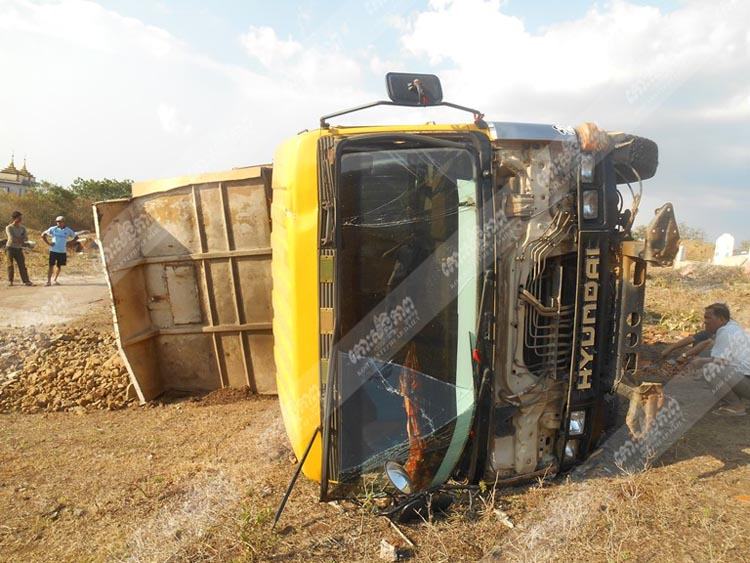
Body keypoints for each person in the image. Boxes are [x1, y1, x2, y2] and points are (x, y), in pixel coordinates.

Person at [689, 303, 750, 416]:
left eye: (708, 318)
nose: (705, 321)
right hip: (745, 379)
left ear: (721, 319)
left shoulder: (725, 332)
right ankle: (737, 401)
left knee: (710, 369)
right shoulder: (733, 327)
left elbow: (721, 361)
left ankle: (735, 406)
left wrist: (700, 361)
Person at [41, 215, 78, 286]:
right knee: (51, 265)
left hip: (62, 251)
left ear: (64, 222)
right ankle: (48, 281)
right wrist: (49, 243)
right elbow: (43, 235)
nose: (58, 223)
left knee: (59, 266)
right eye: (57, 221)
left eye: (60, 221)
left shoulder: (68, 230)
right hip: (53, 250)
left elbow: (76, 237)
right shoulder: (53, 229)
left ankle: (55, 280)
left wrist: (69, 243)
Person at [4, 211, 34, 286]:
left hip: (18, 248)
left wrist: (20, 240)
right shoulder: (9, 227)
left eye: (21, 217)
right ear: (14, 218)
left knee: (22, 265)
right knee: (10, 265)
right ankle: (10, 281)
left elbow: (26, 238)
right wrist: (21, 239)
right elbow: (11, 238)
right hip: (10, 248)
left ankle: (26, 281)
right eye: (19, 217)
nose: (20, 219)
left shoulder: (23, 228)